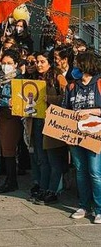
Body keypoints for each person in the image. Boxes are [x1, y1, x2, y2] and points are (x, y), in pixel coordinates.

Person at [62, 51, 101, 222]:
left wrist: (89, 112)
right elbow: (65, 109)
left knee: (94, 171)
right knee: (80, 171)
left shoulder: (99, 84)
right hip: (75, 135)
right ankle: (84, 205)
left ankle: (99, 208)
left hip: (95, 136)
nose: (75, 67)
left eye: (78, 64)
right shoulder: (71, 86)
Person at [29, 50, 67, 205]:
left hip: (53, 122)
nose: (38, 65)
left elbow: (66, 98)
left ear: (50, 62)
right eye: (37, 62)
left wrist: (48, 99)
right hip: (38, 121)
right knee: (42, 158)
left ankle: (54, 190)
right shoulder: (35, 78)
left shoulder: (58, 77)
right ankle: (44, 188)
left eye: (42, 61)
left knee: (53, 159)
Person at [0, 49, 23, 193]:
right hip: (1, 116)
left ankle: (12, 181)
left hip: (12, 117)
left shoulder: (18, 79)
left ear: (16, 64)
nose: (6, 66)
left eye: (9, 63)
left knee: (9, 149)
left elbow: (16, 101)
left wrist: (1, 101)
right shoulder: (0, 77)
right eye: (4, 63)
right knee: (4, 149)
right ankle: (10, 179)